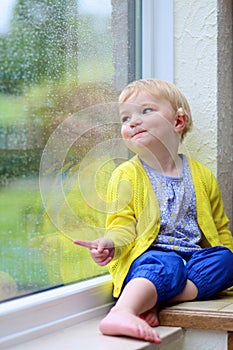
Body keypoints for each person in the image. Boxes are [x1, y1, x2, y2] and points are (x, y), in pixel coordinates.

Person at [74, 79, 233, 344]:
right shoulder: (126, 175)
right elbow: (121, 224)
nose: (133, 121)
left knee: (226, 259)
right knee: (164, 264)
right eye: (126, 117)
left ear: (178, 122)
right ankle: (123, 311)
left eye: (146, 111)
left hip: (193, 262)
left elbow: (220, 229)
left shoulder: (202, 176)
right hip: (150, 260)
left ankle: (154, 299)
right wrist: (110, 243)